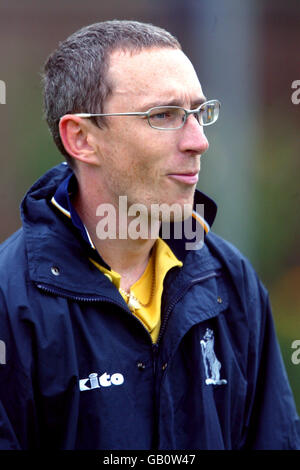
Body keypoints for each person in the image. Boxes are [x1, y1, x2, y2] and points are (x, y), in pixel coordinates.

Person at [0, 20, 299, 451]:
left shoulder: (231, 282)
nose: (199, 141)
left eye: (199, 113)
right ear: (81, 138)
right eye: (164, 116)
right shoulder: (11, 304)